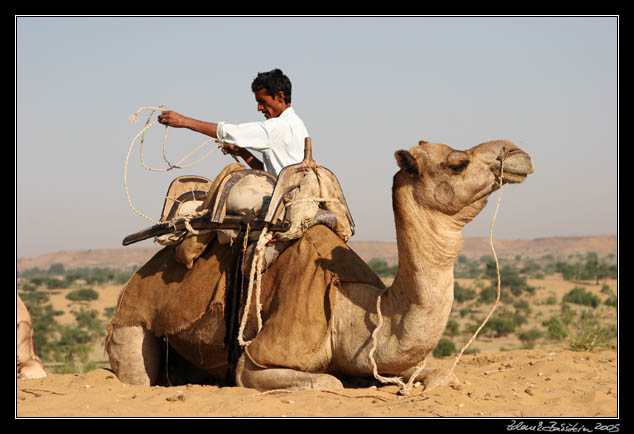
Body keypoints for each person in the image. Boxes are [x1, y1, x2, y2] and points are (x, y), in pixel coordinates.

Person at [157, 68, 309, 177]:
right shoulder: (298, 125)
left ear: (280, 97)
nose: (259, 108)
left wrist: (184, 121)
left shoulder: (275, 128)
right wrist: (242, 152)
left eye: (262, 102)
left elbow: (231, 132)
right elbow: (272, 176)